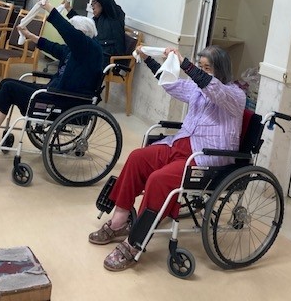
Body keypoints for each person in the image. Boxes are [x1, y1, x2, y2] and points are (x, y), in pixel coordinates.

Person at [88, 44, 246, 272]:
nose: (202, 71)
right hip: (180, 145)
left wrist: (185, 64)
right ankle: (119, 221)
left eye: (207, 67)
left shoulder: (235, 95)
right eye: (200, 66)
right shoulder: (197, 88)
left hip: (206, 158)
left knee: (159, 180)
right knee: (137, 158)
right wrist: (148, 59)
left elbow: (214, 88)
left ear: (220, 69)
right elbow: (171, 84)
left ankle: (134, 242)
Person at [0, 0, 103, 156]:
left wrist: (48, 7)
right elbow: (53, 47)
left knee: (9, 88)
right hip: (56, 93)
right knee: (6, 82)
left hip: (63, 101)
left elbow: (66, 30)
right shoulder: (78, 49)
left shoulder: (89, 49)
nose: (68, 40)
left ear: (82, 34)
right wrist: (29, 35)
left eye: (74, 35)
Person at [64, 0, 125, 67]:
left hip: (110, 58)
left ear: (102, 3)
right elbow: (83, 25)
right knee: (70, 54)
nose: (92, 6)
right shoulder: (96, 19)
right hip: (98, 54)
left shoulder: (114, 14)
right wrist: (69, 9)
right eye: (91, 4)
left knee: (77, 62)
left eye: (94, 3)